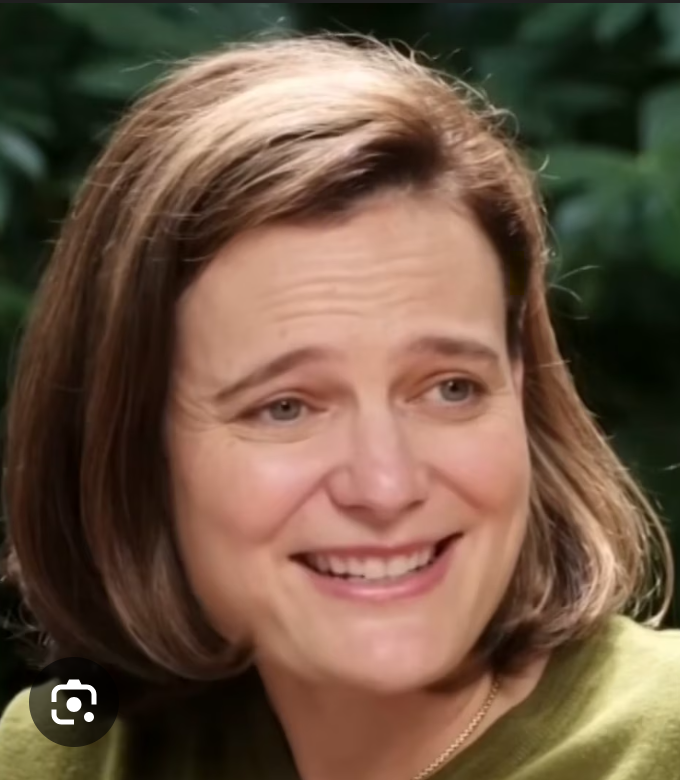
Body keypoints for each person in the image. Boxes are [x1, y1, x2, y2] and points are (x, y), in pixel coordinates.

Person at [0, 34, 678, 780]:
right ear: (132, 445)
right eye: (285, 407)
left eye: (450, 388)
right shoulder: (65, 748)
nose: (386, 487)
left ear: (522, 388)